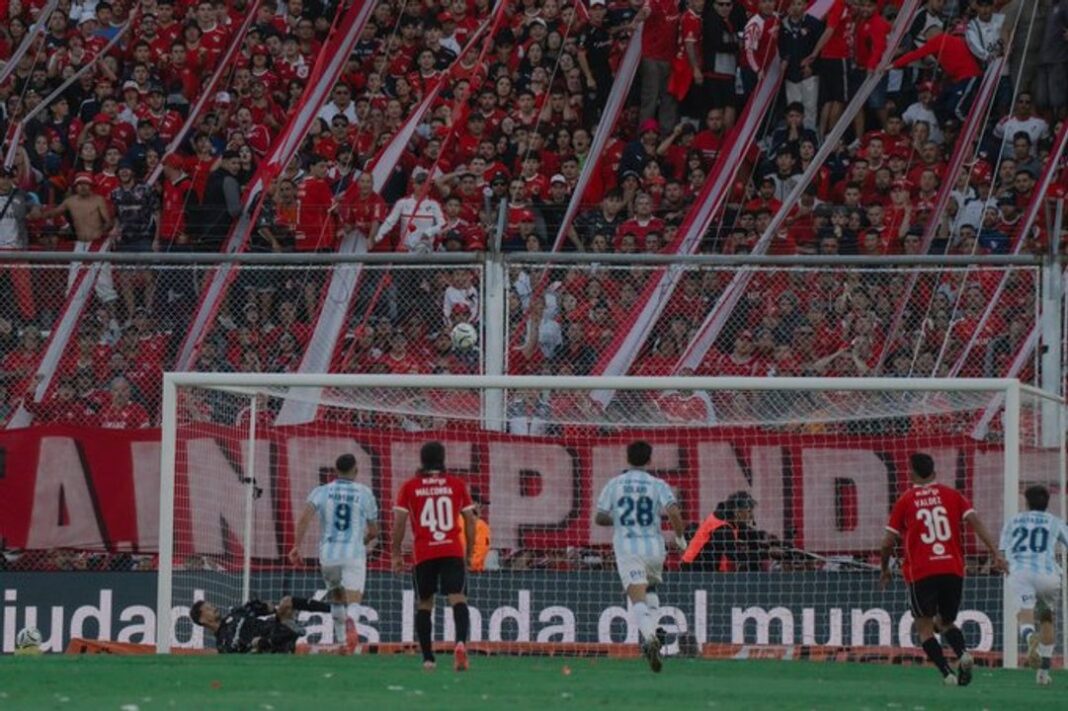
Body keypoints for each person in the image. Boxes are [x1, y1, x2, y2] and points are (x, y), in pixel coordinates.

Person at [880, 452, 1006, 686]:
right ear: (935, 472)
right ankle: (964, 654)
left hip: (921, 571)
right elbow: (976, 523)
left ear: (911, 473)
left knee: (925, 627)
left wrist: (884, 568)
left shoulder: (906, 500)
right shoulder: (953, 495)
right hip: (953, 568)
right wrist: (995, 553)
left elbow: (887, 542)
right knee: (946, 622)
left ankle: (947, 673)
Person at [595, 440, 686, 673]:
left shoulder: (614, 484)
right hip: (655, 548)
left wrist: (622, 519)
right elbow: (674, 512)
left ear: (627, 458)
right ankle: (654, 631)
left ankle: (649, 637)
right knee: (652, 590)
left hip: (628, 548)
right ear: (649, 459)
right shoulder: (658, 484)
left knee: (637, 599)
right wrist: (680, 539)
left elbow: (600, 517)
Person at [390, 441, 478, 671]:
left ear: (422, 460)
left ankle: (428, 658)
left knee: (425, 604)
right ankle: (460, 643)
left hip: (424, 552)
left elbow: (399, 522)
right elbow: (470, 520)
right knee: (458, 597)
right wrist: (468, 552)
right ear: (443, 459)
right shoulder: (457, 484)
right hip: (452, 550)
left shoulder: (409, 487)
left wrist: (396, 553)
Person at [288, 453, 379, 652]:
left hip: (328, 554)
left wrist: (296, 546)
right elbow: (374, 531)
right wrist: (362, 541)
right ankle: (352, 623)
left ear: (335, 471)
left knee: (336, 597)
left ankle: (340, 641)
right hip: (353, 553)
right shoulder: (365, 493)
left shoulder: (321, 491)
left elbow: (304, 519)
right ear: (355, 470)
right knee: (353, 599)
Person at [999, 484, 1068, 686]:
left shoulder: (1013, 521)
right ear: (1047, 504)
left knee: (1024, 612)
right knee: (1046, 617)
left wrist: (1003, 563)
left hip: (1021, 572)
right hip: (1048, 575)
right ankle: (1043, 674)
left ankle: (1030, 637)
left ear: (1026, 502)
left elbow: (1002, 553)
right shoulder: (1055, 521)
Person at [190, 595, 331, 654]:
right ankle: (293, 639)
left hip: (275, 627)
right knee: (257, 643)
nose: (213, 607)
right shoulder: (222, 644)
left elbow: (266, 608)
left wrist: (263, 606)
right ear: (202, 620)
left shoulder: (235, 613)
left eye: (211, 605)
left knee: (286, 602)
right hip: (267, 646)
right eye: (208, 608)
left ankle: (333, 609)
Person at [681, 491, 783, 571]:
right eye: (748, 511)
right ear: (737, 511)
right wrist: (767, 554)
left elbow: (749, 534)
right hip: (694, 572)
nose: (751, 515)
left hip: (706, 570)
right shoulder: (722, 528)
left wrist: (767, 538)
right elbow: (735, 556)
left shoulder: (727, 520)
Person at [458, 486, 492, 572]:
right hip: (472, 575)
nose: (482, 508)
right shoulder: (480, 525)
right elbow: (479, 554)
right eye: (481, 504)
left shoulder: (449, 522)